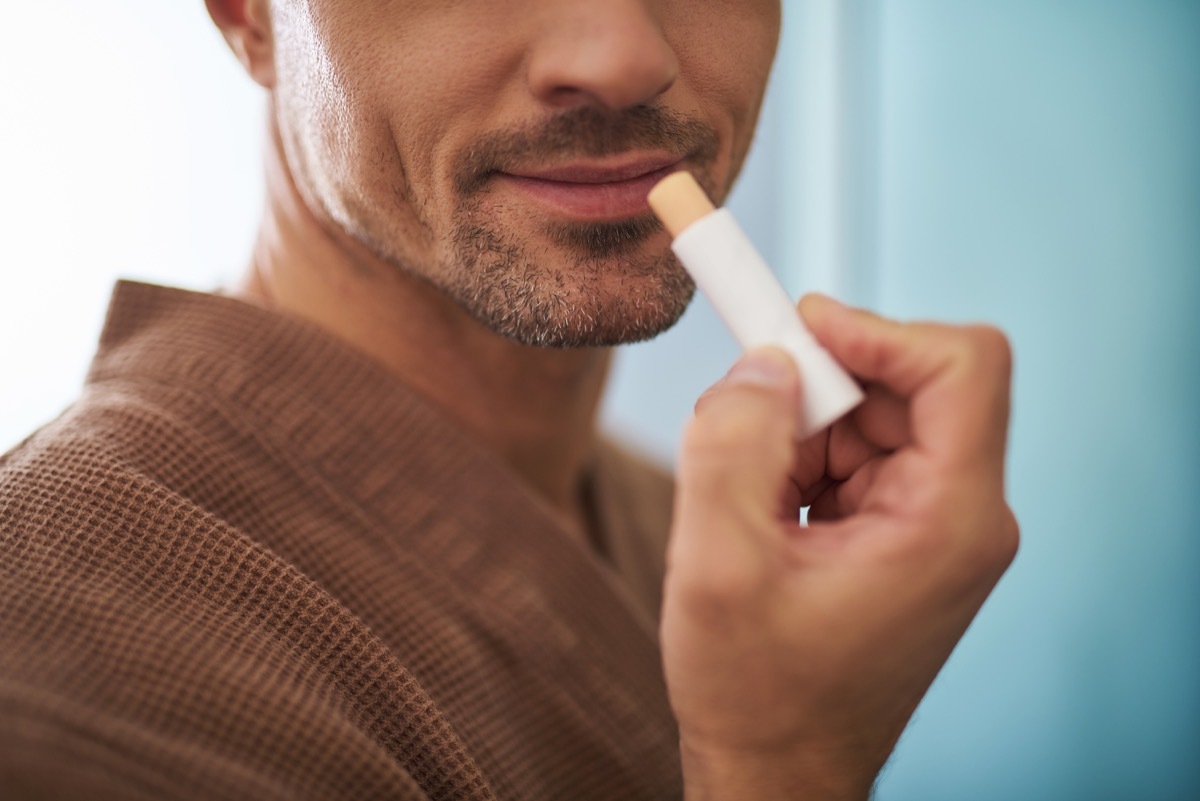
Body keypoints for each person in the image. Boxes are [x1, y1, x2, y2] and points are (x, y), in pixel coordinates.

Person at [0, 1, 1018, 799]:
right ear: (248, 15)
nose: (625, 54)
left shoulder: (694, 536)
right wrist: (780, 773)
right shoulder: (50, 664)